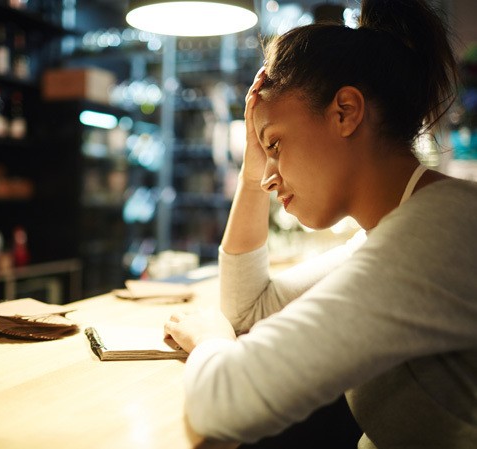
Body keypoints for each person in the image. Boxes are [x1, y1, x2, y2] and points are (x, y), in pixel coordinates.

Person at [163, 0, 477, 447]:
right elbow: (250, 311)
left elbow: (223, 402)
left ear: (346, 111)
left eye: (275, 143)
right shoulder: (395, 230)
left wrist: (209, 338)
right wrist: (254, 171)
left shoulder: (440, 232)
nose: (269, 177)